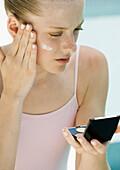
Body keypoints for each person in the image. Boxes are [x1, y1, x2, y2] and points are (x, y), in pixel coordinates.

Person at [0, 0, 120, 170]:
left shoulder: (90, 67)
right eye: (56, 34)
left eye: (77, 29)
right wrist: (12, 97)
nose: (71, 47)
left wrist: (94, 153)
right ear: (15, 28)